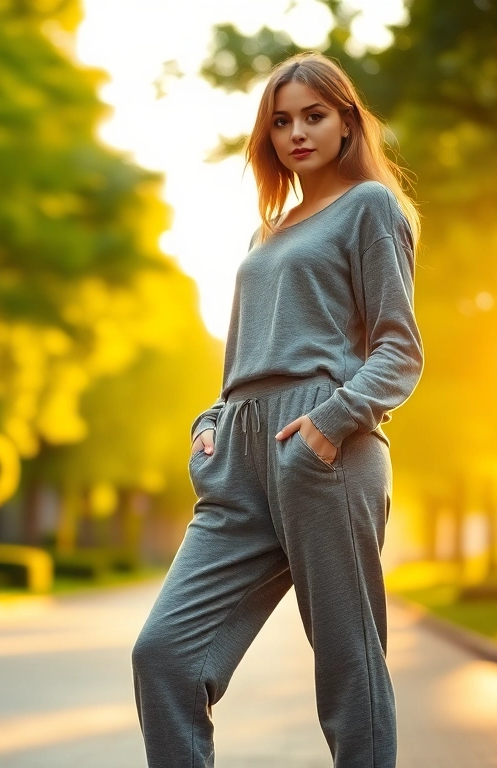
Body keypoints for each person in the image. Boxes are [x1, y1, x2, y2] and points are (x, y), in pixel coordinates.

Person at [131, 51, 424, 768]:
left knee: (349, 671)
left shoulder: (372, 208)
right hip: (240, 458)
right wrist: (209, 424)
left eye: (314, 116)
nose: (297, 132)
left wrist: (329, 424)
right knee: (163, 655)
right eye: (282, 121)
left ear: (349, 123)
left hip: (325, 449)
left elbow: (400, 351)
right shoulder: (264, 232)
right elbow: (242, 362)